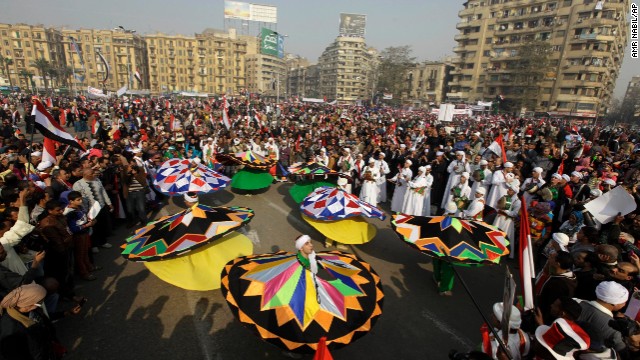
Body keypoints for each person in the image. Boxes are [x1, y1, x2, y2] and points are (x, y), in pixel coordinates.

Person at [0, 283, 56, 359]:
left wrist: (65, 313)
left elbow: (44, 324)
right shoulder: (10, 332)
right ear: (28, 303)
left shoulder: (30, 310)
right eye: (39, 303)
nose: (40, 305)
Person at [575, 281, 629, 355]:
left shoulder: (574, 302)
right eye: (623, 301)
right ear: (615, 303)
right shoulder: (614, 331)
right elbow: (624, 354)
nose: (625, 303)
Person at [72, 168, 113, 253]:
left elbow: (103, 192)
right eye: (92, 173)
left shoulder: (97, 180)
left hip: (101, 207)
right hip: (89, 210)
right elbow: (78, 199)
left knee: (102, 225)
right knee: (93, 227)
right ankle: (94, 245)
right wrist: (84, 211)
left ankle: (103, 242)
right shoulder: (78, 184)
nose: (94, 174)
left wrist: (108, 203)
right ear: (86, 175)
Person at [65, 191, 98, 281]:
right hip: (78, 236)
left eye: (81, 199)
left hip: (85, 233)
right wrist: (87, 225)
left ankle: (89, 267)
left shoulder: (79, 207)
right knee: (80, 255)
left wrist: (91, 220)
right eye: (78, 200)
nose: (80, 201)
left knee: (85, 253)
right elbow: (73, 228)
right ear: (71, 201)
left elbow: (84, 218)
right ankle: (84, 273)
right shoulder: (70, 213)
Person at [493, 184, 521, 258]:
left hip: (507, 221)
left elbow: (514, 214)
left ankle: (502, 252)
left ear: (514, 192)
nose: (508, 190)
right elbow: (497, 205)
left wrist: (506, 211)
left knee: (503, 236)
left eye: (510, 190)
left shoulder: (517, 202)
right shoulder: (505, 197)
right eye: (508, 189)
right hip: (499, 218)